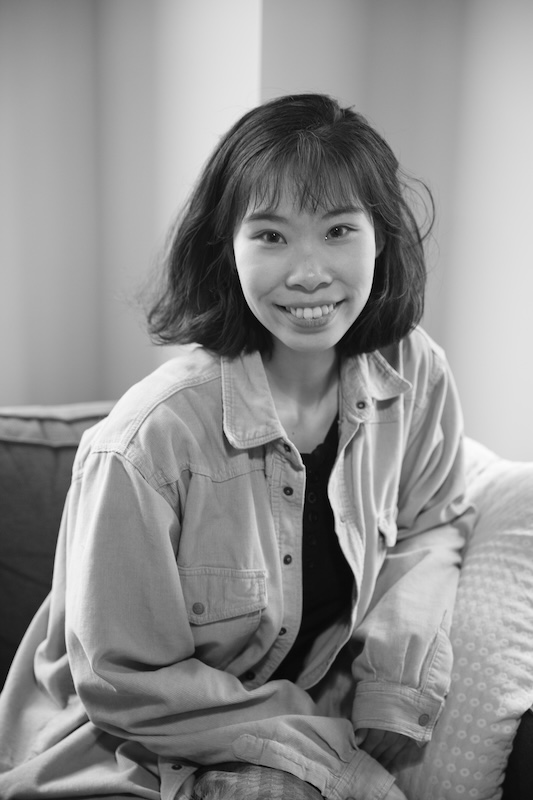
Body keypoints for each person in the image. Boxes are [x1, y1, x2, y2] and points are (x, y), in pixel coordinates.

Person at [0, 93, 472, 800]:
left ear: (381, 237)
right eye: (271, 236)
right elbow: (126, 685)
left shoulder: (413, 372)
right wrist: (331, 754)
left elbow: (431, 524)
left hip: (279, 732)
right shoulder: (145, 443)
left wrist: (395, 685)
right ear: (227, 248)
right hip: (128, 756)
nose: (308, 273)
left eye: (339, 230)